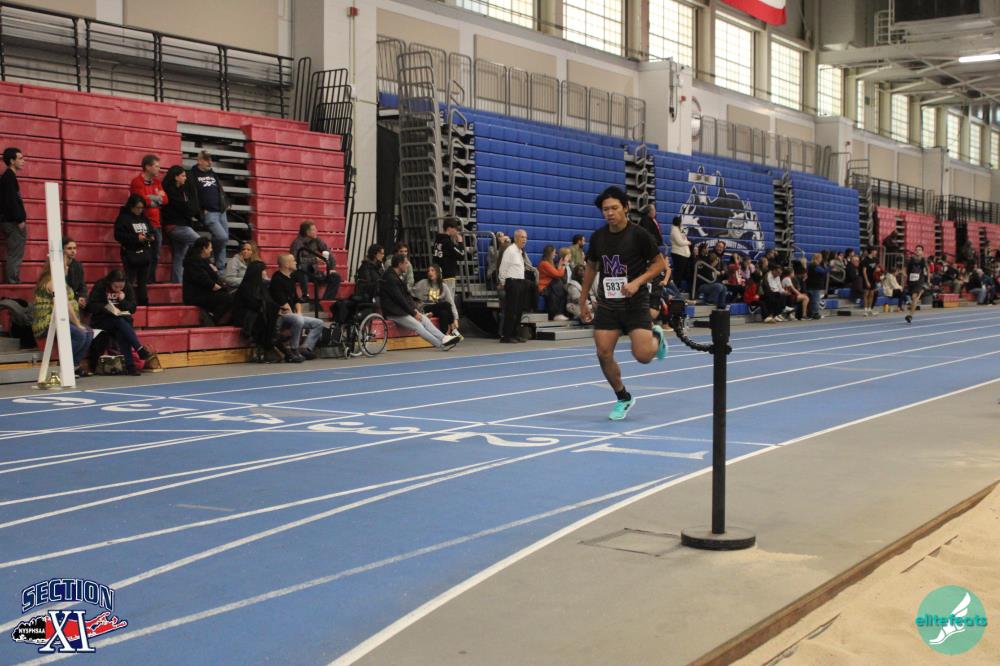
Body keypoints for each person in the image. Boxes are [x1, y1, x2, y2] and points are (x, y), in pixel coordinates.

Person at [579, 186, 668, 421]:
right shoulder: (598, 237)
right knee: (603, 352)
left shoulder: (640, 235)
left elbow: (659, 264)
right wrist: (583, 299)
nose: (609, 213)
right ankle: (623, 397)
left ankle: (656, 337)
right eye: (605, 209)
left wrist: (637, 282)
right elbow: (591, 267)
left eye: (614, 208)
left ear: (626, 207)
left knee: (643, 356)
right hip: (608, 305)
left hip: (635, 303)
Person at [381, 254, 460, 351]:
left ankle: (444, 338)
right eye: (406, 263)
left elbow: (406, 297)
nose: (407, 265)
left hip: (401, 310)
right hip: (394, 312)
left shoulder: (397, 276)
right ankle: (441, 345)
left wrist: (415, 310)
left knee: (425, 320)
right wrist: (413, 313)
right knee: (418, 326)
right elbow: (400, 299)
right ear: (400, 264)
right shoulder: (390, 278)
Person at [86, 269, 156, 376]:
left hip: (121, 321)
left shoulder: (127, 287)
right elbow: (91, 306)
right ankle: (138, 350)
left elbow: (132, 308)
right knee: (119, 322)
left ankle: (130, 366)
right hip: (102, 320)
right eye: (115, 287)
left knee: (121, 329)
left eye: (121, 287)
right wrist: (106, 308)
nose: (118, 289)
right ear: (110, 282)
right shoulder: (101, 285)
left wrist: (122, 300)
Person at [32, 263, 93, 375]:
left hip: (60, 319)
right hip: (46, 322)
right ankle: (64, 365)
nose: (67, 268)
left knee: (89, 332)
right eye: (65, 266)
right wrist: (77, 324)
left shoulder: (62, 282)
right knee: (80, 335)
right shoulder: (52, 282)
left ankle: (74, 366)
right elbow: (63, 304)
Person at [269, 253, 325, 361]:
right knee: (298, 319)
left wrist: (299, 312)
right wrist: (296, 316)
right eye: (293, 261)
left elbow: (296, 300)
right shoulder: (277, 279)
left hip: (292, 314)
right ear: (286, 264)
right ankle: (293, 348)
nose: (295, 262)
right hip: (281, 315)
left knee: (318, 323)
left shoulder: (290, 278)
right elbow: (283, 304)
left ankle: (305, 348)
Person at [160, 164, 201, 284]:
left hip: (180, 225)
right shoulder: (170, 191)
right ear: (176, 177)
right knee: (201, 243)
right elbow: (186, 208)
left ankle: (177, 283)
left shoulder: (181, 190)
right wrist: (191, 208)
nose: (185, 178)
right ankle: (199, 271)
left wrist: (190, 208)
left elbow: (189, 208)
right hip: (175, 226)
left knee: (179, 256)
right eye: (183, 176)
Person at [189, 150, 230, 270]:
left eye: (210, 160)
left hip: (221, 211)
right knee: (222, 237)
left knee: (224, 240)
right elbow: (192, 195)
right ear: (199, 160)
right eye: (207, 160)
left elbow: (219, 190)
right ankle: (210, 254)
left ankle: (220, 269)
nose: (210, 162)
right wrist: (200, 211)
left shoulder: (212, 173)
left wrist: (225, 203)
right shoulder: (192, 174)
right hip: (209, 212)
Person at [129, 154, 166, 284]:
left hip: (156, 223)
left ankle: (150, 280)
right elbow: (141, 201)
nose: (159, 169)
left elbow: (165, 200)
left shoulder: (157, 182)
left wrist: (150, 197)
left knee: (155, 254)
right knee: (144, 253)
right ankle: (141, 280)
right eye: (156, 166)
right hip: (143, 222)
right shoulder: (137, 182)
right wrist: (156, 198)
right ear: (147, 167)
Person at [232, 259, 281, 358]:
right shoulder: (246, 286)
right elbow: (253, 304)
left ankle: (271, 345)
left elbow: (269, 301)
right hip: (244, 316)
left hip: (256, 313)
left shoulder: (262, 285)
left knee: (269, 315)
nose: (265, 273)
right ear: (257, 272)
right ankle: (270, 346)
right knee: (264, 319)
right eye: (263, 270)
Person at [182, 237, 233, 325]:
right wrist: (221, 288)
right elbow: (205, 281)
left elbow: (214, 277)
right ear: (204, 248)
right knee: (227, 298)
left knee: (230, 296)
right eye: (210, 248)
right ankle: (212, 319)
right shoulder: (193, 262)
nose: (211, 250)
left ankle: (214, 318)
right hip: (195, 295)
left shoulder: (205, 261)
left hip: (206, 292)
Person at [114, 193, 153, 307]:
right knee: (129, 281)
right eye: (138, 208)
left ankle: (144, 303)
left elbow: (151, 230)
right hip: (130, 253)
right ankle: (128, 303)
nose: (140, 210)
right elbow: (118, 235)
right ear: (131, 207)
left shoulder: (144, 218)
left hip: (144, 253)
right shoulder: (123, 218)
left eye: (142, 208)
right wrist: (136, 238)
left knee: (143, 283)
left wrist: (150, 237)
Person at [290, 220, 342, 302]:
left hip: (314, 273)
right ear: (307, 232)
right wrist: (314, 260)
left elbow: (328, 252)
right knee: (303, 269)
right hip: (300, 273)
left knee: (335, 277)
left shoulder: (317, 240)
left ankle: (325, 302)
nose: (316, 231)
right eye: (314, 230)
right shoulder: (297, 243)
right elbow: (295, 260)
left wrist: (331, 269)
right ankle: (305, 296)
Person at [497, 229, 533, 343]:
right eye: (522, 237)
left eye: (526, 237)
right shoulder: (510, 251)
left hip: (520, 282)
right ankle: (506, 336)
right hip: (512, 282)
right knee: (511, 310)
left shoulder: (520, 251)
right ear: (516, 238)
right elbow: (503, 268)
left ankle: (515, 334)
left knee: (518, 310)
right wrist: (503, 282)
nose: (524, 240)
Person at [637, 204, 669, 321]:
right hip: (651, 248)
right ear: (649, 211)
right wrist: (653, 244)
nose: (655, 212)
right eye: (654, 210)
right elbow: (647, 235)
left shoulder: (651, 220)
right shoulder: (646, 220)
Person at [0, 147, 27, 283]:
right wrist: (19, 219)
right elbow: (11, 201)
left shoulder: (8, 177)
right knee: (15, 252)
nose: (23, 161)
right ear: (12, 161)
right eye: (20, 158)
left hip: (10, 220)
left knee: (15, 251)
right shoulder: (9, 177)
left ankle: (13, 279)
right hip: (13, 222)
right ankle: (13, 280)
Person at [413, 264, 461, 336]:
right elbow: (410, 293)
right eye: (428, 271)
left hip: (436, 308)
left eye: (432, 270)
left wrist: (456, 318)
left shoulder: (443, 286)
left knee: (444, 313)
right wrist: (416, 307)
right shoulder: (423, 282)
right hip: (425, 307)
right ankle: (452, 327)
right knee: (446, 305)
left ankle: (445, 335)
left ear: (438, 273)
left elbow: (451, 302)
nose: (430, 272)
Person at [431, 217, 467, 290]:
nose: (456, 231)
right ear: (449, 228)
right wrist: (460, 242)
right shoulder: (447, 242)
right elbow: (461, 255)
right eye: (455, 229)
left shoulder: (437, 241)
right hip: (447, 276)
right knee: (448, 296)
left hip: (438, 275)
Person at [537, 245, 570, 321]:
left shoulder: (548, 263)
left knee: (559, 284)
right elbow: (558, 274)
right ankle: (556, 314)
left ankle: (559, 313)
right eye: (554, 252)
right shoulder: (544, 264)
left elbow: (557, 273)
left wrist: (560, 266)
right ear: (550, 253)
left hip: (549, 285)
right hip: (543, 287)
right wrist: (563, 265)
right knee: (558, 284)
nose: (555, 254)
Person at [905, 244, 928, 324]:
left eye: (919, 250)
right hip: (910, 281)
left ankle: (910, 316)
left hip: (919, 281)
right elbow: (905, 269)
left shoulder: (924, 260)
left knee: (914, 297)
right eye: (916, 250)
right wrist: (905, 276)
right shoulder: (910, 260)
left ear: (922, 252)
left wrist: (928, 280)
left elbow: (928, 270)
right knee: (913, 298)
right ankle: (921, 292)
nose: (917, 251)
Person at [62, 237, 87, 308]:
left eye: (74, 248)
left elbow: (82, 286)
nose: (73, 251)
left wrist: (81, 297)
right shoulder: (56, 265)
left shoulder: (78, 265)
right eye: (69, 248)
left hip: (74, 299)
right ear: (63, 250)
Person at [805, 253, 827, 320]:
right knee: (815, 300)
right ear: (818, 258)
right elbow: (823, 271)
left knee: (812, 300)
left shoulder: (811, 265)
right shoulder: (815, 266)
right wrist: (830, 267)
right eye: (821, 258)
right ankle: (815, 313)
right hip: (815, 286)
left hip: (810, 285)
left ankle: (811, 314)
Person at [860, 246, 879, 316]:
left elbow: (876, 268)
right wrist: (867, 281)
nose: (876, 252)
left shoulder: (876, 259)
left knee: (872, 294)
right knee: (866, 294)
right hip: (867, 278)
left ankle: (869, 309)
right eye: (875, 251)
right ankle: (865, 310)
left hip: (873, 279)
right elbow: (864, 271)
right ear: (871, 251)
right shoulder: (865, 260)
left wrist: (878, 270)